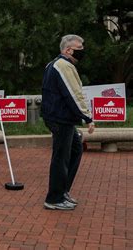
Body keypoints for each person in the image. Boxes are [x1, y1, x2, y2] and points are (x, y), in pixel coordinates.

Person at [41, 34, 95, 210]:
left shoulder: (58, 64)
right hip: (60, 118)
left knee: (74, 150)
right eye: (79, 49)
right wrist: (87, 117)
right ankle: (54, 198)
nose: (82, 51)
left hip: (61, 118)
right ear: (68, 50)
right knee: (61, 158)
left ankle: (62, 191)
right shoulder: (62, 65)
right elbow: (73, 94)